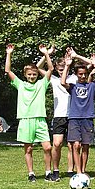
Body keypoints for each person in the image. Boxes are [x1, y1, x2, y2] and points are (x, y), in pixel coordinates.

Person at [6, 43, 55, 182]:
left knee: (47, 147)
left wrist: (46, 54)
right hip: (26, 120)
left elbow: (50, 68)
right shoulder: (20, 84)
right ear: (25, 75)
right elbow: (8, 70)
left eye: (34, 74)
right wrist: (9, 53)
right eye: (30, 74)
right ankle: (31, 174)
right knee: (28, 149)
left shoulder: (41, 84)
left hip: (40, 119)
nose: (32, 76)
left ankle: (48, 172)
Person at [61, 52, 95, 176]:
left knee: (85, 146)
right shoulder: (73, 86)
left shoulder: (91, 86)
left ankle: (83, 170)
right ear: (76, 75)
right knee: (76, 145)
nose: (82, 76)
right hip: (74, 118)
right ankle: (78, 172)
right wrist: (67, 66)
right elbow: (62, 82)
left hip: (87, 118)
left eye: (84, 74)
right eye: (80, 74)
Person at [38, 48, 76, 178]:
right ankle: (56, 170)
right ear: (56, 68)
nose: (62, 71)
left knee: (72, 145)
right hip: (59, 116)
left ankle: (71, 171)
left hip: (73, 115)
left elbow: (88, 66)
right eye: (60, 69)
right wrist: (46, 54)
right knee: (57, 144)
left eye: (64, 68)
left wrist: (72, 58)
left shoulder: (74, 78)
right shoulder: (53, 79)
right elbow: (38, 67)